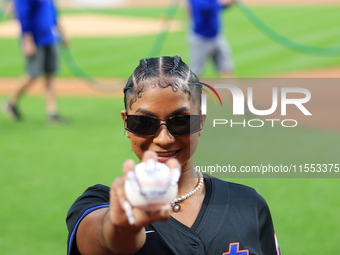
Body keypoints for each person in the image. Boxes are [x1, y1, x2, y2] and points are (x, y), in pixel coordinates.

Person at [66, 56, 281, 255]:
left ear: (201, 121)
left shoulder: (247, 204)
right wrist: (124, 227)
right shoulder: (100, 205)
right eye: (144, 123)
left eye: (180, 121)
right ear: (126, 123)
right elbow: (105, 237)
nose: (164, 139)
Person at [3, 0, 67, 123]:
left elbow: (52, 12)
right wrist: (27, 40)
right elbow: (23, 15)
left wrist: (61, 32)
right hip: (35, 40)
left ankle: (52, 113)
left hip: (50, 37)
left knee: (50, 75)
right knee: (32, 75)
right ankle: (11, 103)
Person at [187, 0, 235, 78]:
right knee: (196, 71)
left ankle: (232, 89)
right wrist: (221, 3)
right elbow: (206, 8)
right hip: (201, 38)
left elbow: (216, 8)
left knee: (226, 67)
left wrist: (227, 4)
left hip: (216, 36)